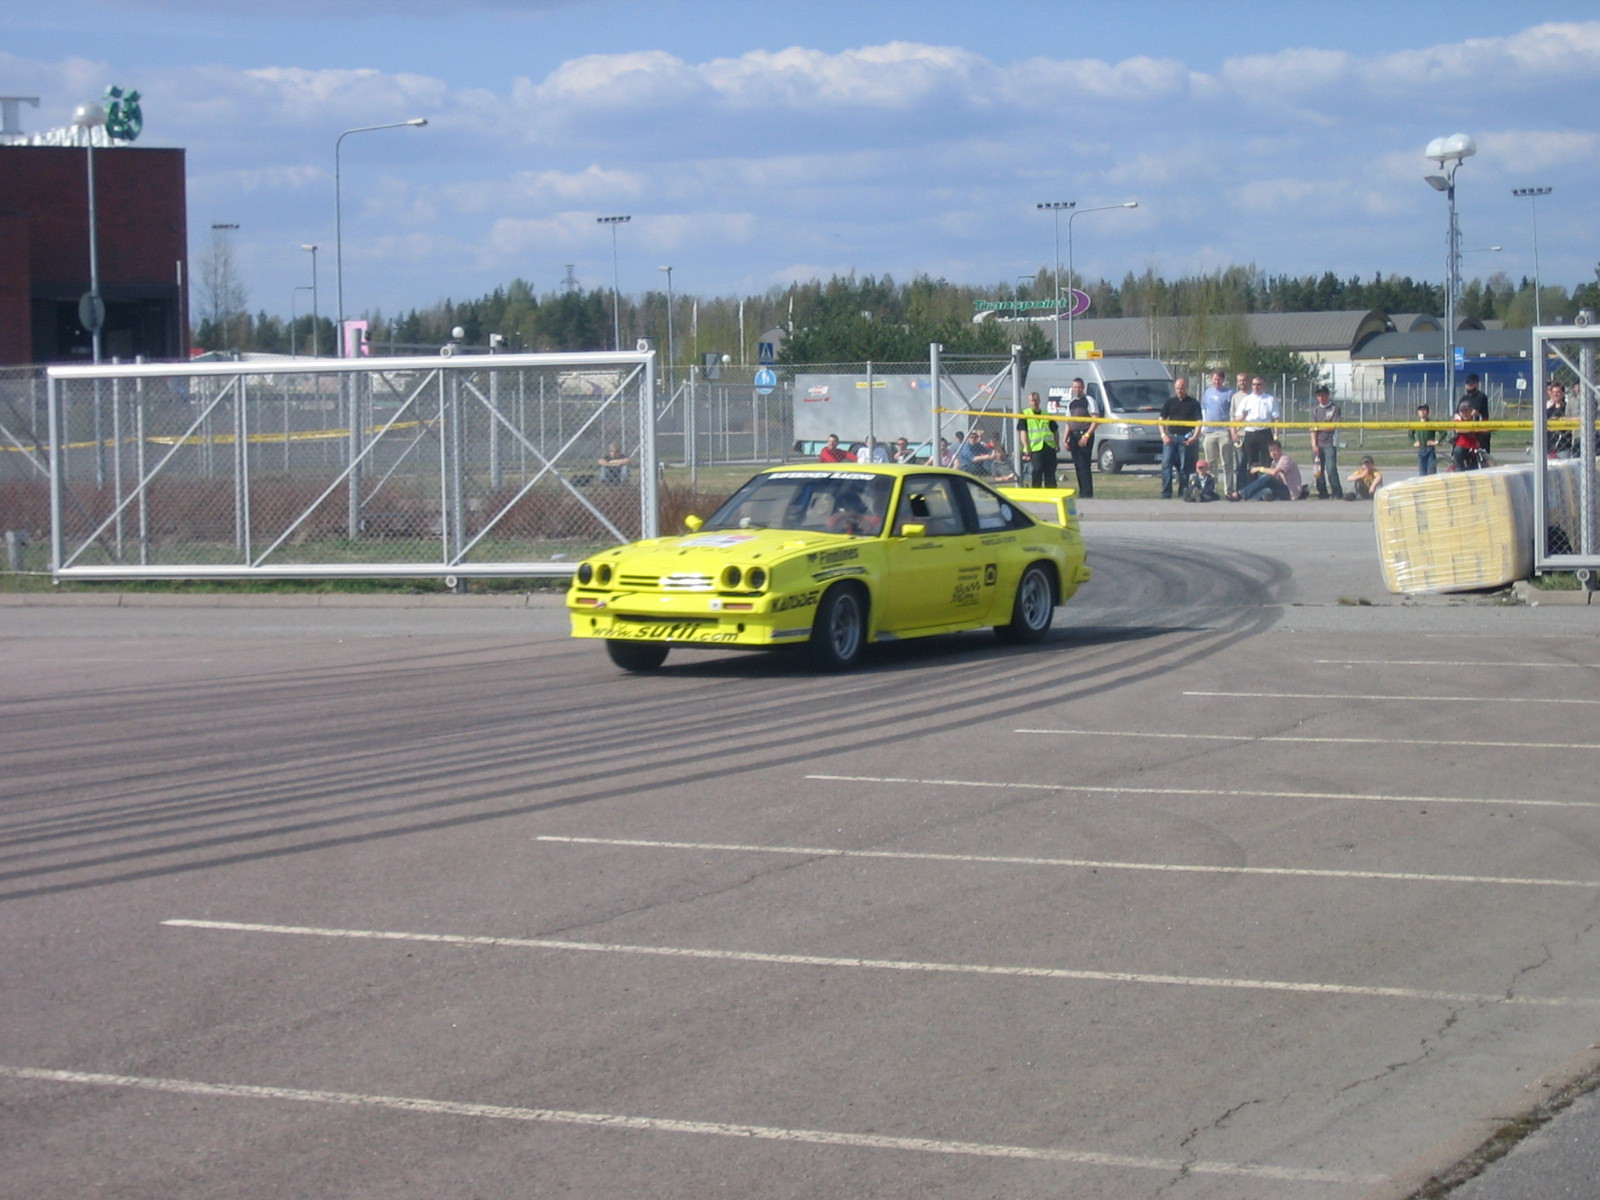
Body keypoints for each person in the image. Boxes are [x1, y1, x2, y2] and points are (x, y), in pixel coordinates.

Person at [1159, 376, 1202, 499]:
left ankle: (1183, 492)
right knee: (1166, 465)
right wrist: (1163, 435)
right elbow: (1161, 419)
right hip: (1171, 438)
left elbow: (1199, 421)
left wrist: (1194, 437)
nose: (1180, 391)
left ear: (1186, 387)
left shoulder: (1193, 403)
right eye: (1177, 388)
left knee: (1184, 467)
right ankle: (1166, 492)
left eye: (1182, 388)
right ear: (1174, 388)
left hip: (1186, 439)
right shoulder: (1169, 402)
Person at [1200, 369, 1238, 496]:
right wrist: (1203, 426)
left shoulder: (1229, 393)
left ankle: (1229, 490)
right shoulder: (1207, 392)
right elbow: (1204, 409)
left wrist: (1231, 427)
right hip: (1210, 432)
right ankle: (1212, 489)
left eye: (1219, 379)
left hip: (1223, 432)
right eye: (1214, 379)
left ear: (1223, 379)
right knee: (1210, 464)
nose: (1216, 382)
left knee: (1227, 462)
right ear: (1211, 380)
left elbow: (1233, 411)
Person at [1229, 440, 1304, 501]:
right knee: (1261, 483)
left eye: (1275, 450)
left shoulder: (1285, 459)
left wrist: (1260, 469)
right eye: (1271, 451)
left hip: (1290, 491)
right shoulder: (1274, 462)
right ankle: (1264, 496)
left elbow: (1274, 472)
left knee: (1267, 478)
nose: (1273, 453)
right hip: (1281, 488)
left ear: (1280, 450)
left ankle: (1240, 494)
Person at [1237, 376, 1279, 473]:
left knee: (1267, 461)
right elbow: (1237, 419)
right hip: (1250, 433)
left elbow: (1276, 418)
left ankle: (1266, 485)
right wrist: (1242, 417)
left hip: (1265, 432)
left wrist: (1276, 435)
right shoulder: (1246, 400)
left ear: (1263, 386)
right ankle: (1252, 485)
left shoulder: (1270, 399)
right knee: (1251, 461)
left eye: (1259, 384)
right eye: (1254, 384)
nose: (1256, 387)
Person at [1309, 384, 1344, 499]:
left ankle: (1337, 492)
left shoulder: (1334, 408)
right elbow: (1312, 429)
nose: (1321, 398)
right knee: (1318, 470)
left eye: (1323, 395)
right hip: (1318, 443)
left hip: (1329, 443)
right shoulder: (1315, 410)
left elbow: (1333, 426)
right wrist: (1314, 444)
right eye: (1318, 395)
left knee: (1331, 469)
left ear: (1328, 395)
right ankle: (1322, 492)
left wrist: (1318, 427)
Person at [1018, 391, 1059, 488]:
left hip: (1048, 446)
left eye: (1036, 400)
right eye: (1032, 401)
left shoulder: (1046, 414)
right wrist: (1026, 447)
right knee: (1037, 469)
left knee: (1050, 471)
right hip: (1035, 448)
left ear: (1039, 401)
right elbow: (1023, 432)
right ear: (1029, 402)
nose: (1034, 403)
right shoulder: (1025, 414)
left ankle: (1051, 492)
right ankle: (1036, 491)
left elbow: (1055, 431)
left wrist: (1057, 444)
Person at [1065, 386, 1095, 498]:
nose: (1076, 389)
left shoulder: (1089, 400)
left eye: (1078, 387)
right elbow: (1068, 422)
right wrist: (1065, 439)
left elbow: (1096, 419)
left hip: (1085, 435)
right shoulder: (1071, 403)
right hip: (1073, 436)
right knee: (1077, 465)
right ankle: (1082, 491)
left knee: (1084, 465)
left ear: (1082, 388)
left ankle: (1087, 493)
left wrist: (1087, 435)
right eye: (1074, 387)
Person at [1450, 397, 1485, 471]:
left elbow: (1483, 427)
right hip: (1462, 446)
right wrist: (1473, 429)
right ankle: (1459, 471)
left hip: (1474, 446)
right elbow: (1458, 430)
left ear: (1471, 411)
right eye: (1462, 411)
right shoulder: (1458, 420)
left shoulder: (1476, 419)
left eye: (1467, 411)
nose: (1465, 413)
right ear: (1460, 413)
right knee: (1458, 456)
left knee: (1477, 464)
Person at [1546, 382, 1574, 459]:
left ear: (1562, 393)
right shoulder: (1548, 410)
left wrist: (1560, 420)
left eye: (1558, 392)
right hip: (1550, 446)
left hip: (1563, 446)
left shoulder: (1567, 408)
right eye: (1553, 392)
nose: (1555, 394)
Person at [1410, 403, 1438, 476]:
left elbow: (1443, 432)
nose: (1422, 412)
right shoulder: (1416, 424)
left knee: (1431, 471)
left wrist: (1436, 442)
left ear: (1428, 412)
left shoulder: (1432, 423)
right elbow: (1410, 434)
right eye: (1420, 410)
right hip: (1421, 450)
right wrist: (1414, 442)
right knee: (1422, 472)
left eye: (1424, 410)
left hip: (1430, 450)